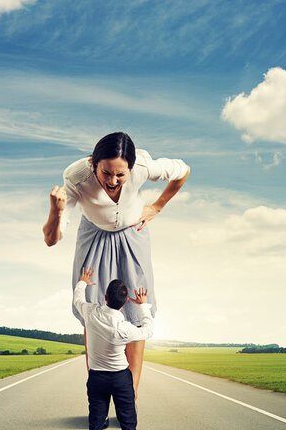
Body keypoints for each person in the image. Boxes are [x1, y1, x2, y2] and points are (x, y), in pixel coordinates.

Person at [42, 132, 189, 398]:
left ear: (131, 168)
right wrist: (56, 210)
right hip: (94, 238)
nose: (112, 181)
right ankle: (98, 396)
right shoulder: (76, 177)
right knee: (94, 309)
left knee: (136, 307)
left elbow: (183, 170)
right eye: (106, 173)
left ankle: (128, 400)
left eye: (120, 175)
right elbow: (51, 240)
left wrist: (157, 206)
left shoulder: (144, 167)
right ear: (92, 163)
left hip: (133, 237)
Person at [73, 266, 152, 430]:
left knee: (96, 426)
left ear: (105, 297)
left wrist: (83, 282)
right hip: (120, 380)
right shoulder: (124, 328)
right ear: (125, 303)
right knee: (129, 426)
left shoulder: (90, 313)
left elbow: (77, 299)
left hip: (97, 379)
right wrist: (143, 306)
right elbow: (148, 331)